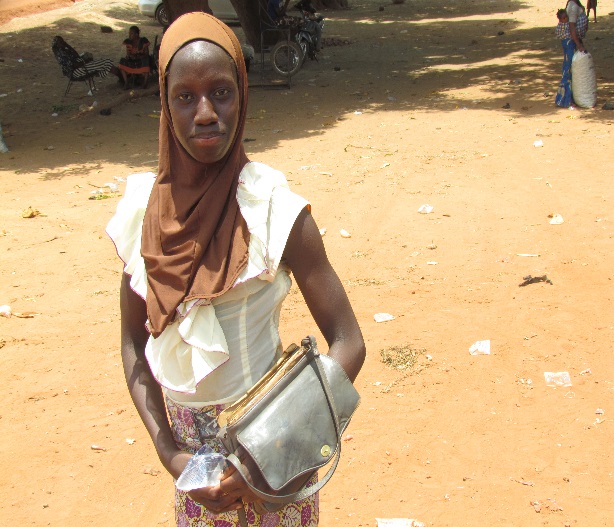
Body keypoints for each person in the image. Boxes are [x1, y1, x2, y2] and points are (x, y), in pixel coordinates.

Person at [106, 12, 365, 527]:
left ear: (243, 96)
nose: (205, 113)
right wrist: (171, 456)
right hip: (198, 482)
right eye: (185, 97)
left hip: (274, 466)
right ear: (165, 105)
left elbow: (349, 342)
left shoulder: (273, 210)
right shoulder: (144, 216)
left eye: (221, 92)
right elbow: (134, 344)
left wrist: (263, 458)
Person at [554, 1, 586, 108]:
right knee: (569, 70)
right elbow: (572, 29)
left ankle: (569, 98)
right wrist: (579, 45)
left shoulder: (572, 5)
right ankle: (566, 100)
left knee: (571, 69)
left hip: (570, 44)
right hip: (569, 45)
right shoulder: (572, 8)